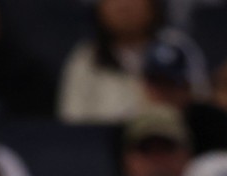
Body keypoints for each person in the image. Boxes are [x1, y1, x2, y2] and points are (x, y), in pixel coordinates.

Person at [56, 0, 205, 126]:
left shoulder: (177, 47)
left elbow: (200, 107)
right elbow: (71, 123)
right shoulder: (85, 58)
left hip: (163, 143)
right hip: (101, 145)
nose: (124, 6)